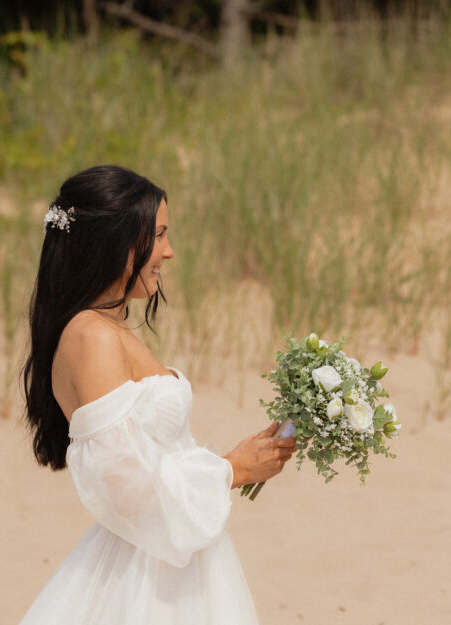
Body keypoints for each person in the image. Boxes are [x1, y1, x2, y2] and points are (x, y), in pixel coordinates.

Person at [20, 165, 296, 624]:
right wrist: (231, 470)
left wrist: (244, 458)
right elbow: (124, 488)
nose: (169, 252)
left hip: (159, 554)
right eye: (160, 235)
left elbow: (147, 461)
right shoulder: (93, 338)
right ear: (116, 242)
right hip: (143, 576)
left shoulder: (104, 328)